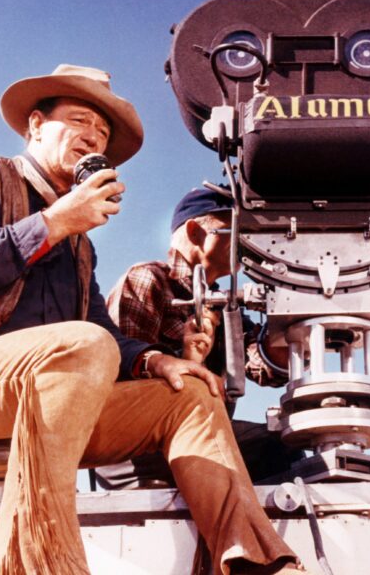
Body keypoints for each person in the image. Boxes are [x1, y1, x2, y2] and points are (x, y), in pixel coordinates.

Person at [0, 64, 309, 575]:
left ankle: (252, 562)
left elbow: (104, 335)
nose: (93, 137)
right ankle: (40, 563)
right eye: (79, 121)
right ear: (36, 125)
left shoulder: (80, 245)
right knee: (83, 346)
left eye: (102, 132)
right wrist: (55, 222)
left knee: (190, 394)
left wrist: (154, 361)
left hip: (54, 394)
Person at [99, 188, 302, 489]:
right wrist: (184, 360)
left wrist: (290, 318)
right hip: (139, 445)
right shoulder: (148, 280)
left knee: (284, 446)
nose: (247, 242)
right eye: (237, 230)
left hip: (199, 431)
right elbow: (123, 381)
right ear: (195, 232)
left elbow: (266, 367)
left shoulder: (225, 305)